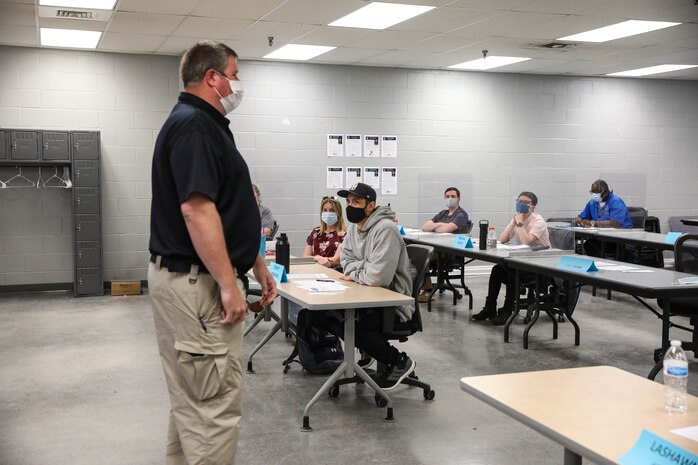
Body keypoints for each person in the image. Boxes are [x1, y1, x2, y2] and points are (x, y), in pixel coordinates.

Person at [148, 41, 277, 465]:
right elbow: (197, 211)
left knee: (192, 402)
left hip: (192, 279)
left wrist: (255, 263)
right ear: (213, 77)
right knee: (213, 410)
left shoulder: (204, 124)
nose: (238, 83)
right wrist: (228, 284)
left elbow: (224, 209)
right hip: (198, 285)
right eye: (234, 73)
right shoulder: (194, 127)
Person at [306, 182, 417, 390]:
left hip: (391, 302)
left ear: (370, 205)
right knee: (319, 315)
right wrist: (362, 269)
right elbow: (344, 260)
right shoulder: (356, 229)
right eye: (348, 201)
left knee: (354, 326)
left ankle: (399, 361)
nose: (350, 206)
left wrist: (356, 271)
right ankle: (374, 351)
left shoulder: (386, 230)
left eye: (356, 202)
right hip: (366, 294)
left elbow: (378, 278)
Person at [471, 191, 550, 326]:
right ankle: (490, 308)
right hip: (523, 260)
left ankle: (508, 310)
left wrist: (519, 224)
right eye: (519, 201)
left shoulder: (538, 221)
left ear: (533, 207)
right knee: (497, 269)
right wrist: (514, 223)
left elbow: (527, 241)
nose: (522, 204)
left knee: (513, 273)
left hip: (539, 263)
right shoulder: (516, 219)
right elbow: (502, 239)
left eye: (526, 203)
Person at [419, 186, 470, 301]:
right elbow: (425, 227)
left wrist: (436, 226)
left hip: (450, 252)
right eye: (447, 196)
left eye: (453, 196)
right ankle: (422, 288)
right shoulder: (443, 213)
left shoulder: (461, 215)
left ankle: (427, 291)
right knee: (416, 253)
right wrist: (440, 224)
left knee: (420, 256)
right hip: (437, 249)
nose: (450, 198)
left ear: (459, 199)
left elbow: (443, 230)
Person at [573, 179, 632, 257]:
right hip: (601, 237)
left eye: (597, 192)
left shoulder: (616, 202)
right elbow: (582, 217)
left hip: (619, 238)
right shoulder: (593, 202)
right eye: (592, 192)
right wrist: (578, 220)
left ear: (605, 191)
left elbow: (615, 224)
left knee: (594, 247)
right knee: (589, 245)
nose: (594, 194)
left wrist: (592, 223)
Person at [303, 196, 347, 268]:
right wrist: (317, 258)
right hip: (315, 271)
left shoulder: (345, 234)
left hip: (335, 273)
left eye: (332, 210)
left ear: (338, 213)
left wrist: (316, 259)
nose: (328, 213)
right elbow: (306, 257)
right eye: (325, 210)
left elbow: (336, 260)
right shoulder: (315, 232)